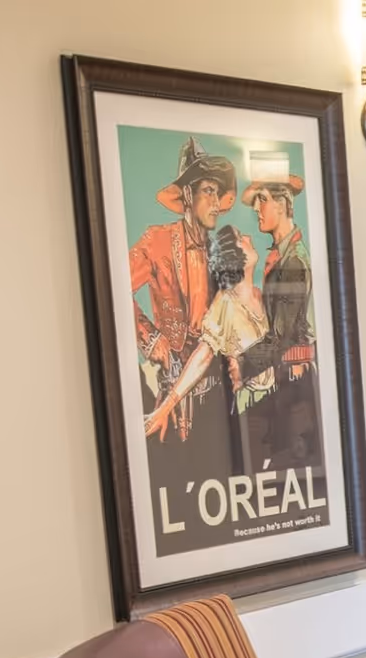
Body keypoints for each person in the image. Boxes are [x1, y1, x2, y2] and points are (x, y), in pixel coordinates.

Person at [129, 138, 236, 452]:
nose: (216, 202)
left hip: (218, 395)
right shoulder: (156, 241)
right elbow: (113, 289)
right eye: (208, 191)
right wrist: (150, 337)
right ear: (187, 194)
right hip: (174, 397)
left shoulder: (223, 252)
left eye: (218, 193)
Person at [145, 226, 269, 443]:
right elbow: (201, 358)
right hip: (251, 413)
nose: (249, 237)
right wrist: (165, 408)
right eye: (241, 238)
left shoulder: (261, 295)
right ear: (233, 256)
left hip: (277, 406)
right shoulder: (225, 305)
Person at [235, 157, 320, 470]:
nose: (258, 208)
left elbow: (282, 337)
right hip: (282, 378)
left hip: (296, 381)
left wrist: (240, 366)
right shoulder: (279, 257)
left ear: (283, 204)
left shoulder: (294, 261)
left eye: (263, 200)